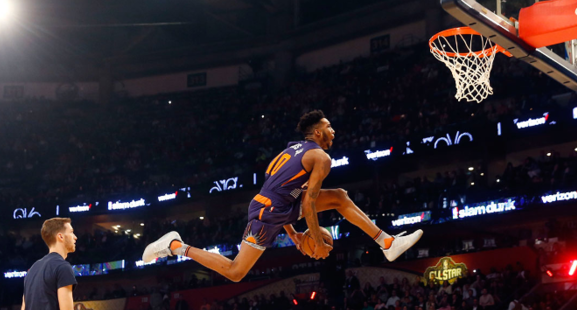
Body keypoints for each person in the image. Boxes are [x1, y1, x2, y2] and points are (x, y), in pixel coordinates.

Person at [141, 110, 422, 281]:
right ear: (317, 131)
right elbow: (309, 203)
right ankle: (176, 245)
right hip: (268, 214)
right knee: (236, 271)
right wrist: (314, 240)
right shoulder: (321, 158)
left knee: (338, 196)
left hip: (275, 206)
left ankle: (387, 242)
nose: (333, 131)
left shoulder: (292, 149)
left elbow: (282, 191)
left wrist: (297, 235)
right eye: (329, 127)